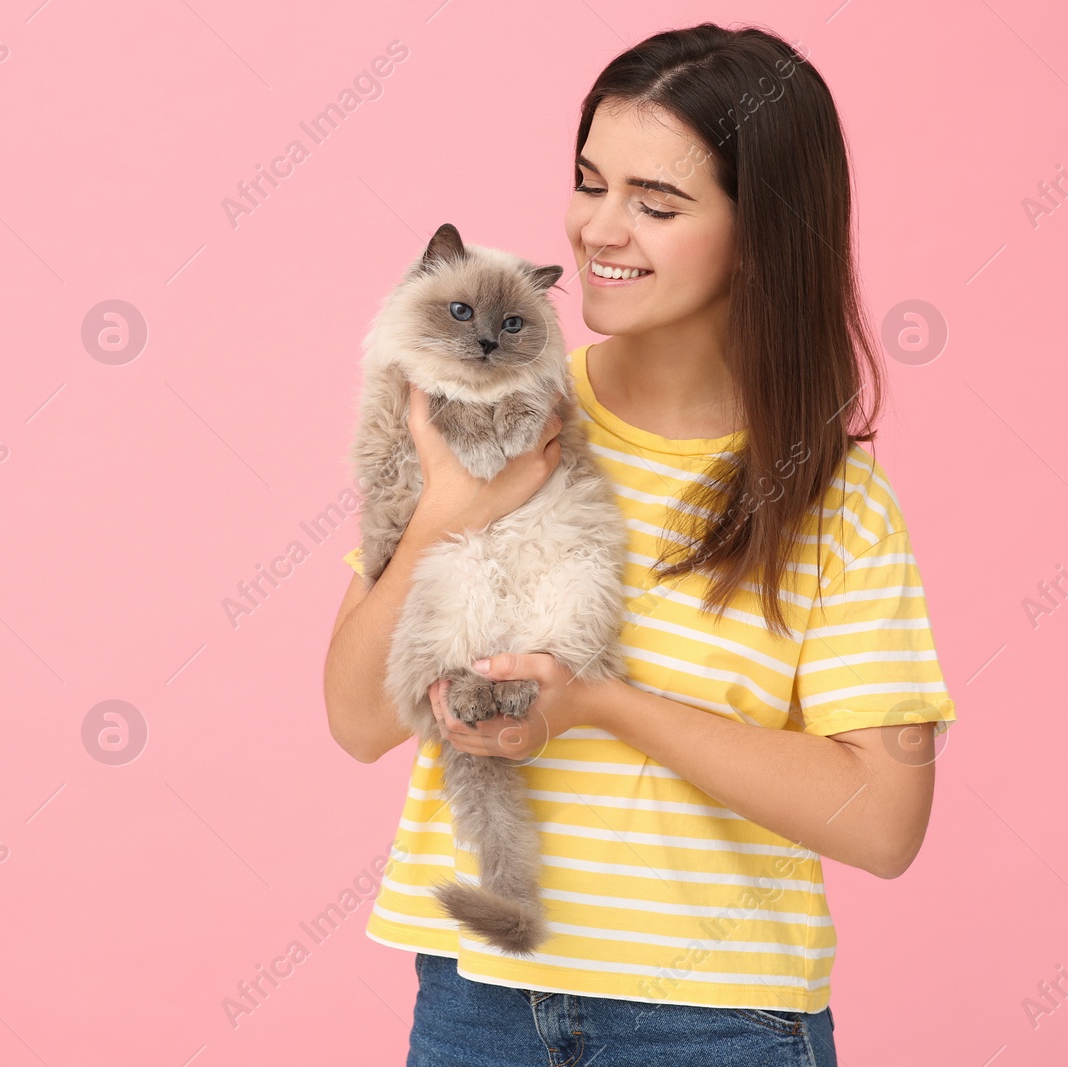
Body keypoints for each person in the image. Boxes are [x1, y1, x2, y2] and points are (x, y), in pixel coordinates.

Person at [322, 22, 957, 1067]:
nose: (598, 232)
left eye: (656, 204)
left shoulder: (829, 495)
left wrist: (601, 704)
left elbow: (884, 819)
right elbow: (354, 716)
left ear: (762, 231)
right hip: (479, 1000)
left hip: (719, 1024)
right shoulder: (481, 405)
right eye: (589, 183)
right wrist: (451, 505)